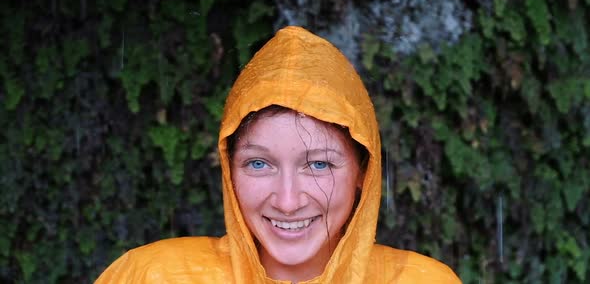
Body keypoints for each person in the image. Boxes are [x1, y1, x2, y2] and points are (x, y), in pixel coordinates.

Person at [95, 26, 461, 283]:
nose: (288, 202)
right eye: (259, 163)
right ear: (229, 169)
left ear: (364, 169)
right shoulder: (152, 277)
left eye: (318, 164)